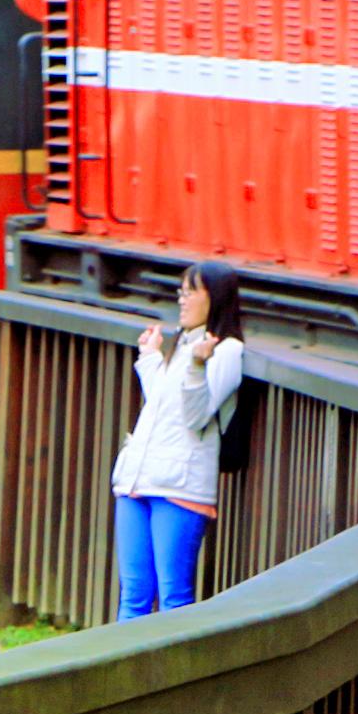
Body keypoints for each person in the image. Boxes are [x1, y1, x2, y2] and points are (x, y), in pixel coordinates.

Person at [110, 262, 244, 619]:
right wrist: (150, 358)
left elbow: (195, 416)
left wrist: (199, 367)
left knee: (174, 599)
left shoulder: (226, 351)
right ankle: (124, 673)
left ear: (213, 298)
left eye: (190, 292)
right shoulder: (182, 345)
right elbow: (163, 405)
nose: (182, 300)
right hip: (138, 479)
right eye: (180, 292)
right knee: (134, 595)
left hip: (181, 486)